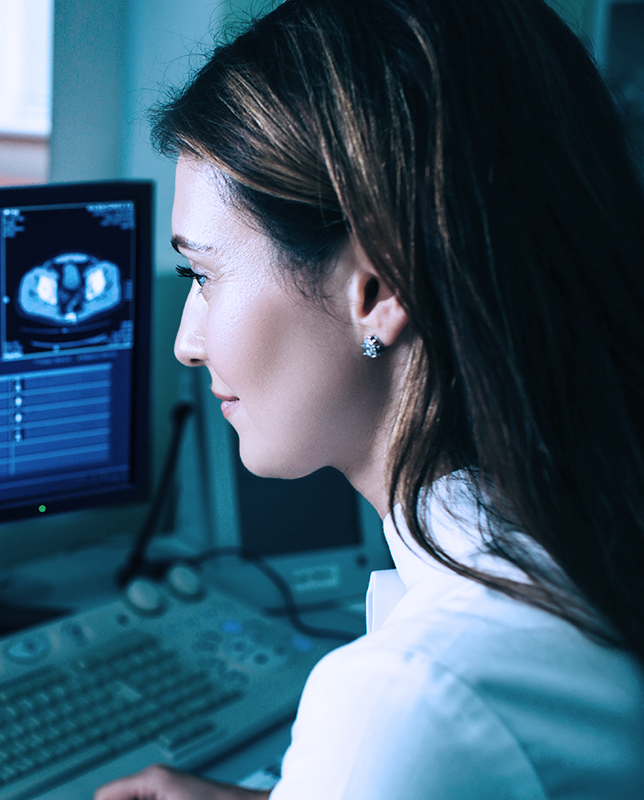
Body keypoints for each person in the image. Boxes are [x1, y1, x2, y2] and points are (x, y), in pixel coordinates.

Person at [97, 0, 644, 797]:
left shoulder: (410, 702)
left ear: (376, 285)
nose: (188, 342)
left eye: (204, 275)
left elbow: (434, 728)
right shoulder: (582, 539)